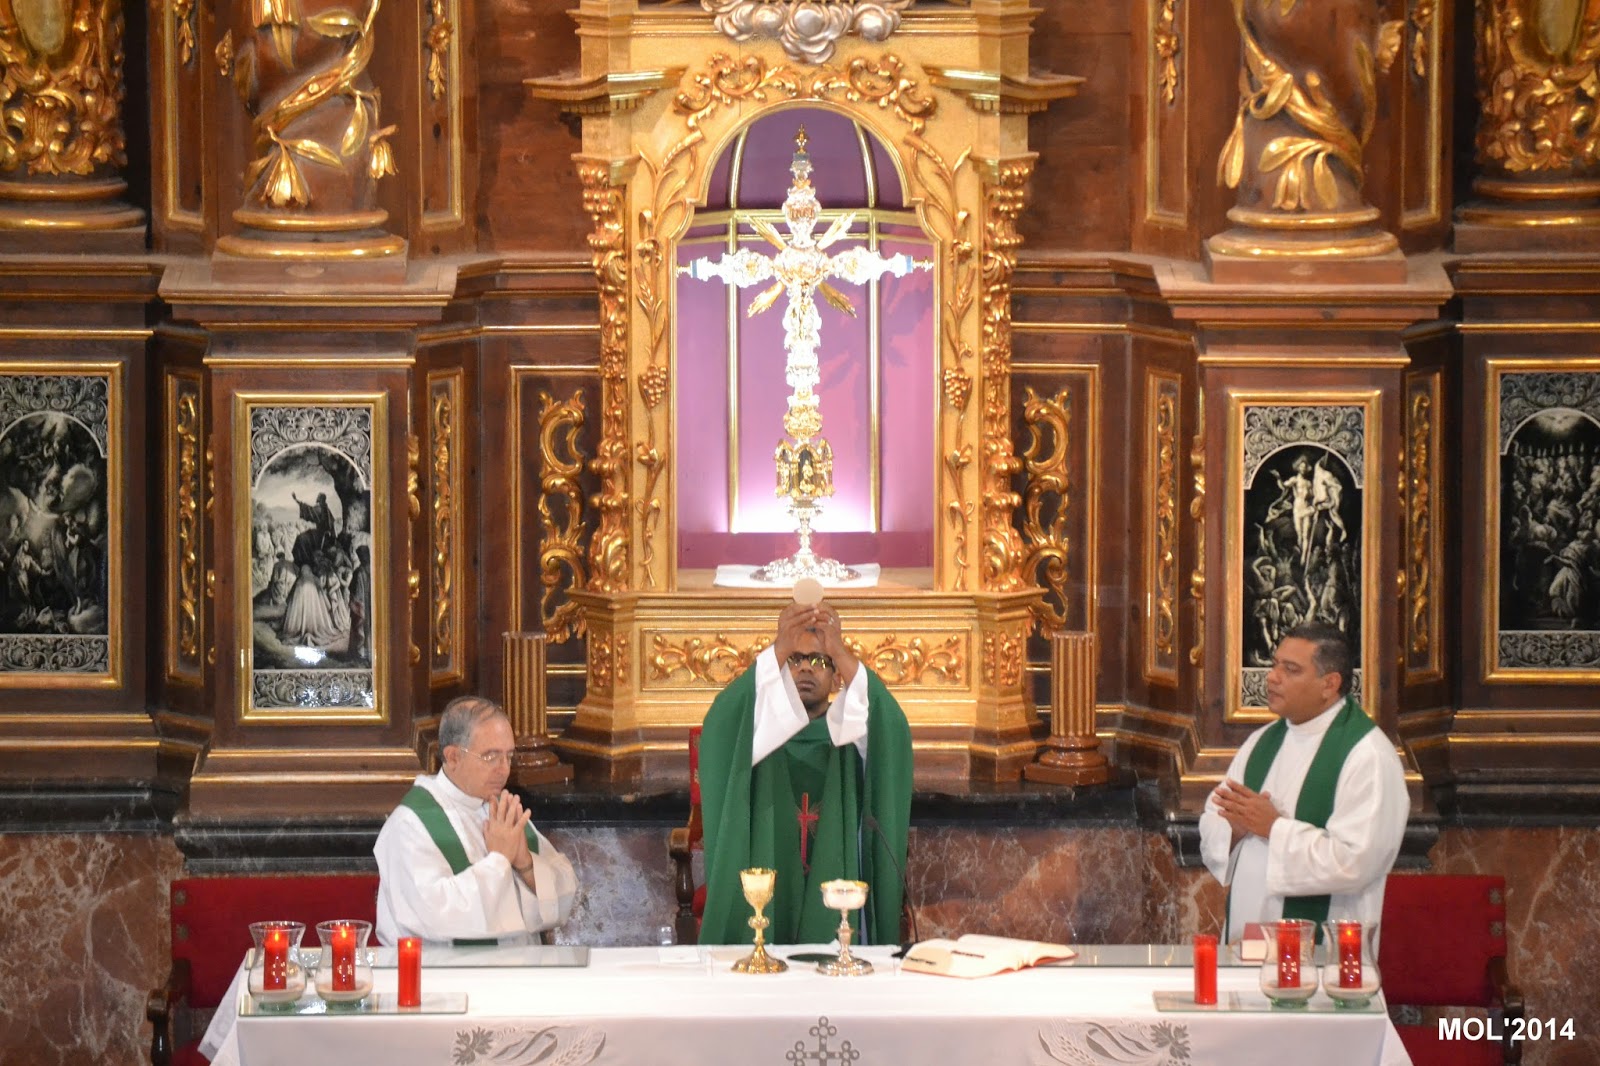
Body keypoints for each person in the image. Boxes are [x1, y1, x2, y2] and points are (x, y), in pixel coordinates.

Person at [698, 599, 912, 945]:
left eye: (820, 661)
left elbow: (891, 728)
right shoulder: (761, 733)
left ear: (837, 676)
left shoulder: (851, 732)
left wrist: (839, 650)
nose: (806, 669)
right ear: (780, 670)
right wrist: (779, 648)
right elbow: (720, 725)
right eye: (795, 659)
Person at [1200, 623, 1408, 945]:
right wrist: (1236, 829)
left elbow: (1357, 862)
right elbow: (1213, 821)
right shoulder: (1260, 744)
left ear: (1329, 684)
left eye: (1291, 669)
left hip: (1327, 949)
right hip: (1249, 938)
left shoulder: (1367, 755)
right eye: (1275, 665)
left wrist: (1274, 828)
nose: (1273, 677)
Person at [373, 695, 578, 945]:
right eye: (491, 756)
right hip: (445, 969)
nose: (504, 769)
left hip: (522, 966)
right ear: (453, 757)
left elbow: (565, 896)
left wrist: (525, 863)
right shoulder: (411, 825)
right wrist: (499, 859)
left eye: (509, 756)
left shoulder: (503, 809)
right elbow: (436, 917)